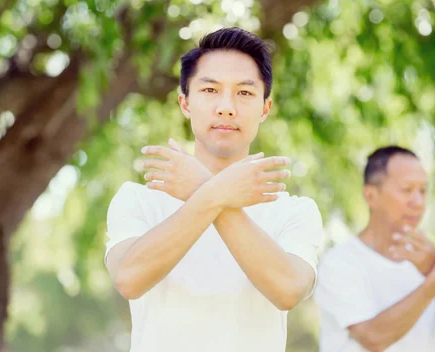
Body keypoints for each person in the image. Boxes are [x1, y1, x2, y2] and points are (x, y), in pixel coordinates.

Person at [104, 27, 323, 352]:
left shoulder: (295, 211)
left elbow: (289, 289)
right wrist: (213, 193)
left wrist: (203, 189)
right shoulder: (137, 200)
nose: (226, 107)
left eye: (245, 93)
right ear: (185, 103)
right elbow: (129, 278)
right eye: (210, 90)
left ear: (265, 108)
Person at [314, 146, 435, 352]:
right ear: (370, 196)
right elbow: (373, 338)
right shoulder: (340, 262)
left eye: (423, 190)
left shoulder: (433, 263)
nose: (418, 202)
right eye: (407, 190)